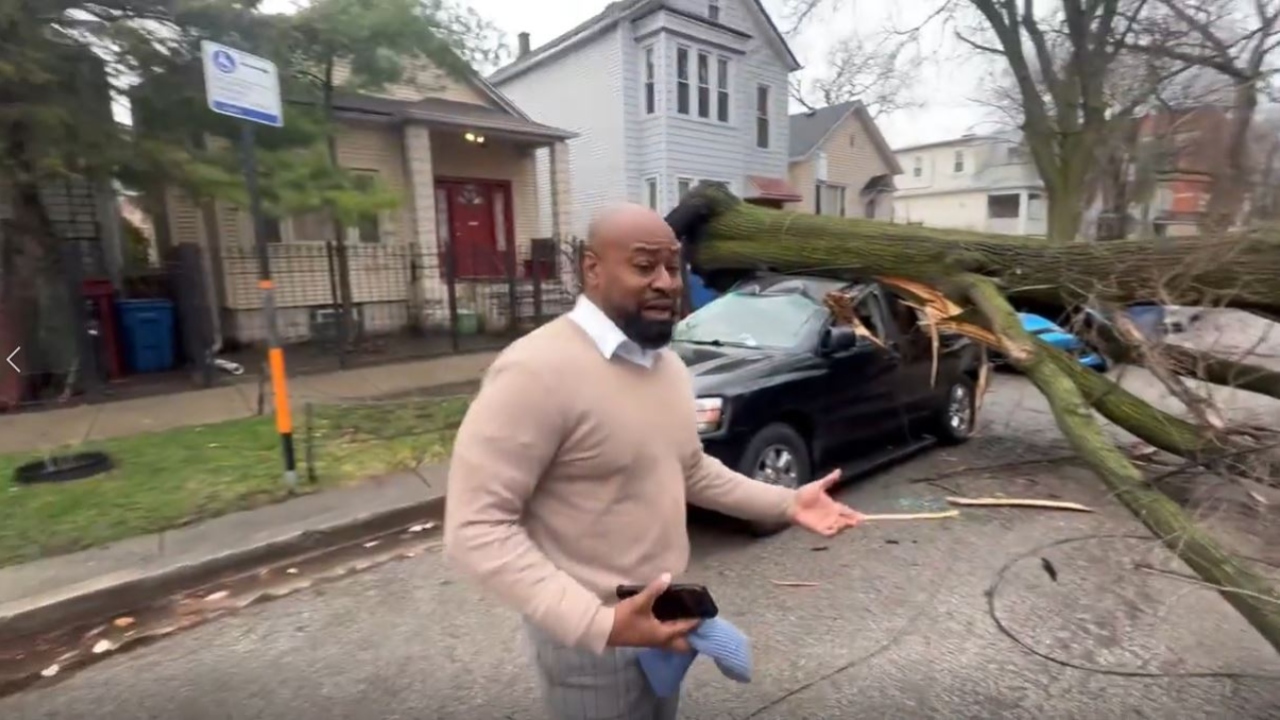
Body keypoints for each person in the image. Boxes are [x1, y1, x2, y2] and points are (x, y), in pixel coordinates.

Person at [443, 203, 865, 720]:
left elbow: (689, 469)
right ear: (592, 269)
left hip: (666, 620)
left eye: (673, 266)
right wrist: (599, 626)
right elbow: (477, 529)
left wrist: (786, 502)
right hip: (591, 642)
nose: (667, 282)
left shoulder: (665, 365)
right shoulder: (535, 371)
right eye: (645, 266)